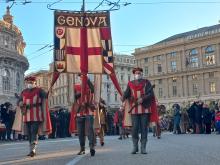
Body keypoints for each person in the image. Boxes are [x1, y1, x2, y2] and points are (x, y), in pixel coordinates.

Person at [12, 76, 52, 157]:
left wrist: (49, 91)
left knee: (34, 131)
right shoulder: (24, 92)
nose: (29, 84)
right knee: (29, 133)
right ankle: (31, 149)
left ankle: (33, 149)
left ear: (34, 83)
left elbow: (46, 96)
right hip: (26, 115)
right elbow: (19, 101)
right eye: (28, 83)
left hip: (37, 115)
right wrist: (20, 103)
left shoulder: (39, 90)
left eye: (30, 82)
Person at [121, 67, 157, 154]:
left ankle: (143, 147)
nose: (138, 74)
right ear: (134, 74)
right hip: (134, 109)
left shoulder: (146, 82)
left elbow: (151, 94)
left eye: (139, 73)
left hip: (145, 108)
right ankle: (135, 146)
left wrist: (143, 99)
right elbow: (127, 93)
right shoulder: (130, 84)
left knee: (144, 128)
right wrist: (123, 97)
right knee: (134, 128)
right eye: (136, 73)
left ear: (141, 73)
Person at [69, 75, 96, 156]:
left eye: (83, 77)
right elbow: (72, 97)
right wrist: (81, 93)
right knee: (80, 132)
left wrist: (87, 81)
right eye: (80, 77)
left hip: (89, 111)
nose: (81, 78)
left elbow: (93, 90)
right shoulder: (75, 86)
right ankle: (82, 148)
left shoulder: (90, 85)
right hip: (79, 111)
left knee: (90, 130)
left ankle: (92, 147)